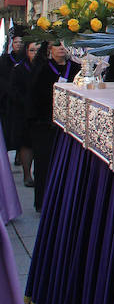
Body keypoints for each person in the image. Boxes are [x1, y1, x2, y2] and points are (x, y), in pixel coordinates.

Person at [24, 42, 80, 212]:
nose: (61, 48)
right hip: (46, 124)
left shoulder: (77, 68)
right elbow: (33, 95)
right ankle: (43, 202)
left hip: (70, 124)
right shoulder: (42, 69)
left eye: (64, 45)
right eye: (57, 45)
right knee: (45, 164)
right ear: (50, 49)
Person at [9, 41, 40, 186]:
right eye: (32, 50)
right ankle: (27, 174)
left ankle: (38, 173)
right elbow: (14, 91)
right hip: (24, 112)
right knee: (26, 144)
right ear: (27, 52)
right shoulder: (19, 69)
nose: (35, 53)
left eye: (38, 50)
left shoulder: (44, 68)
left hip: (41, 113)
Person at [0, 29, 25, 153]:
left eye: (21, 42)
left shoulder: (26, 60)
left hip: (20, 99)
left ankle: (19, 154)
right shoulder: (4, 59)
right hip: (6, 100)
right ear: (12, 44)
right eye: (16, 42)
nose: (19, 44)